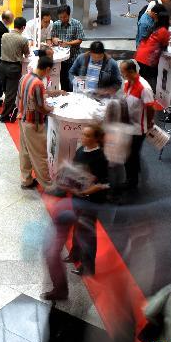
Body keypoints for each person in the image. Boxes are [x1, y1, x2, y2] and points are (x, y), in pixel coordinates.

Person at [43, 124, 111, 301]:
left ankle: (88, 266)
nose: (82, 137)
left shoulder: (101, 158)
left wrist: (88, 190)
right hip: (77, 198)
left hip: (90, 201)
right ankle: (75, 254)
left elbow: (105, 184)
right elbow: (73, 169)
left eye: (87, 135)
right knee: (78, 228)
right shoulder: (81, 150)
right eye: (83, 133)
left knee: (87, 232)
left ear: (96, 138)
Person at [17, 56, 55, 189]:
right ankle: (48, 186)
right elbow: (41, 107)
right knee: (40, 155)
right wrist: (51, 109)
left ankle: (26, 180)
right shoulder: (38, 83)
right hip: (34, 123)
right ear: (47, 69)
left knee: (25, 152)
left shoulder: (25, 77)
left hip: (22, 119)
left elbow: (19, 99)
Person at [0, 17, 29, 123]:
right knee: (11, 95)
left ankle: (8, 110)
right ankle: (5, 116)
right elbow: (27, 54)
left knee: (6, 92)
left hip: (2, 66)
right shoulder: (23, 39)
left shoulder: (4, 36)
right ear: (23, 27)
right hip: (14, 68)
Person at [134, 9, 170, 92]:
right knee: (151, 77)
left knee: (143, 75)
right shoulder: (164, 31)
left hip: (140, 54)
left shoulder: (154, 27)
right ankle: (148, 94)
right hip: (148, 58)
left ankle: (137, 91)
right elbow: (165, 45)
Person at [50, 6, 84, 91]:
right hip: (61, 58)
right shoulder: (56, 24)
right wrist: (56, 41)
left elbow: (79, 40)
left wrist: (68, 43)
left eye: (64, 17)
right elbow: (53, 37)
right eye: (60, 17)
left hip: (74, 56)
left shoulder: (77, 23)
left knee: (72, 79)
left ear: (69, 15)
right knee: (62, 78)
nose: (62, 19)